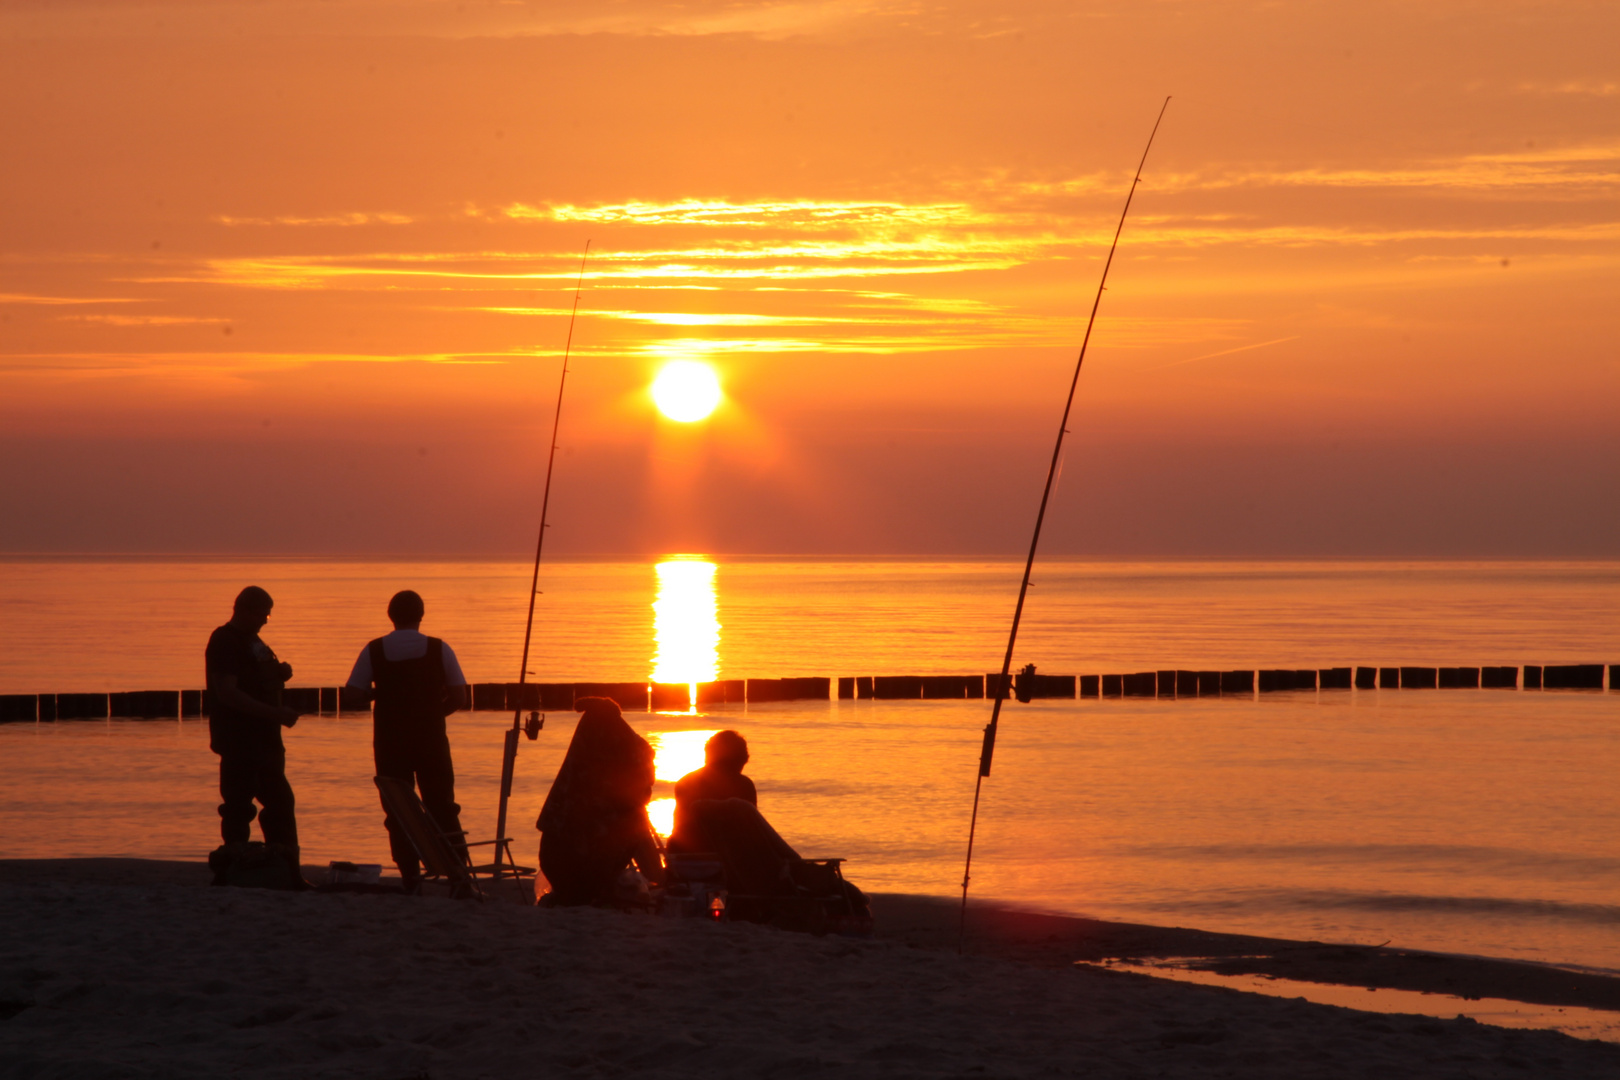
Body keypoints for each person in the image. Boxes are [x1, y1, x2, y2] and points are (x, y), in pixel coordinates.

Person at [345, 589, 469, 892]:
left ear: (391, 616)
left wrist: (377, 694)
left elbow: (352, 693)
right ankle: (457, 874)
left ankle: (410, 876)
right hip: (431, 741)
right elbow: (460, 696)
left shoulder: (374, 650)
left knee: (398, 809)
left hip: (390, 741)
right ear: (421, 615)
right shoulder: (440, 649)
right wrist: (435, 715)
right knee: (442, 805)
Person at [205, 586, 305, 871]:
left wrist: (280, 672)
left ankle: (284, 866)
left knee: (280, 805)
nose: (265, 620)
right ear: (245, 610)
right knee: (238, 808)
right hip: (240, 742)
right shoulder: (224, 641)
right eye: (263, 615)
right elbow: (227, 692)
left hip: (267, 741)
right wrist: (274, 712)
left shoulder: (253, 641)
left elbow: (258, 675)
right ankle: (236, 865)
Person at [535, 696, 663, 906]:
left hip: (558, 869)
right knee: (636, 820)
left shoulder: (573, 777)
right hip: (591, 872)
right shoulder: (629, 748)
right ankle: (659, 880)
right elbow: (641, 793)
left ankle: (657, 878)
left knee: (633, 816)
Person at [668, 729, 756, 854]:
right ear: (740, 760)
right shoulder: (744, 785)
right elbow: (753, 831)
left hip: (681, 860)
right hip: (727, 863)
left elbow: (679, 826)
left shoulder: (685, 782)